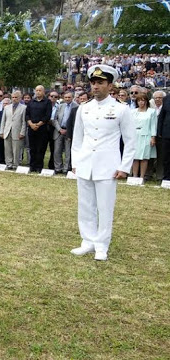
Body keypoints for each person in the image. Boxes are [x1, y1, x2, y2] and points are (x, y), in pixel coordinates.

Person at [71, 65, 136, 261]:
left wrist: (124, 167)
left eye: (100, 83)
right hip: (85, 163)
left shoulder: (121, 109)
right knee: (85, 205)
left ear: (110, 85)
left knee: (105, 207)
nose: (96, 86)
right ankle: (88, 241)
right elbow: (77, 139)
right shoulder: (84, 108)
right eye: (93, 83)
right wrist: (75, 162)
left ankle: (101, 245)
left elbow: (130, 140)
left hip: (108, 165)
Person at [130, 94, 157, 180]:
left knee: (144, 157)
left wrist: (153, 137)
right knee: (135, 157)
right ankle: (134, 177)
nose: (141, 102)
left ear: (146, 101)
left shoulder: (151, 111)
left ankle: (142, 177)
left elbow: (153, 125)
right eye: (139, 100)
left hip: (146, 135)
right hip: (135, 135)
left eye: (143, 100)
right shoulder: (133, 112)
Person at [26, 85, 52, 172]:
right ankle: (32, 166)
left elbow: (47, 116)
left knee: (40, 148)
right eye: (36, 90)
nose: (38, 92)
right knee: (32, 148)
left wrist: (38, 124)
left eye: (40, 90)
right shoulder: (31, 102)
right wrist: (31, 124)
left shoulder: (47, 102)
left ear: (43, 92)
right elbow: (27, 115)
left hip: (42, 129)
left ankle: (39, 166)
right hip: (31, 128)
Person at [51, 91, 78, 174]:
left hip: (69, 132)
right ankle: (58, 168)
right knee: (57, 151)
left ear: (72, 97)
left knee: (68, 151)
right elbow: (54, 119)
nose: (67, 99)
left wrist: (68, 130)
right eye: (65, 97)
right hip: (58, 131)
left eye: (69, 97)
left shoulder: (77, 107)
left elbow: (76, 121)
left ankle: (66, 168)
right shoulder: (60, 106)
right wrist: (59, 129)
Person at [0, 91, 26, 170]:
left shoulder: (24, 108)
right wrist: (1, 131)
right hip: (7, 131)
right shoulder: (7, 107)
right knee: (7, 149)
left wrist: (22, 132)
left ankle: (16, 164)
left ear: (20, 98)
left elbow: (24, 121)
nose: (14, 99)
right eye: (13, 97)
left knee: (16, 149)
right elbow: (3, 120)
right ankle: (8, 164)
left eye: (16, 97)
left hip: (17, 131)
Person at [158, 90, 170, 181]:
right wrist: (160, 131)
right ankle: (167, 177)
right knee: (167, 157)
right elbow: (162, 116)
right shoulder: (166, 98)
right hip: (167, 133)